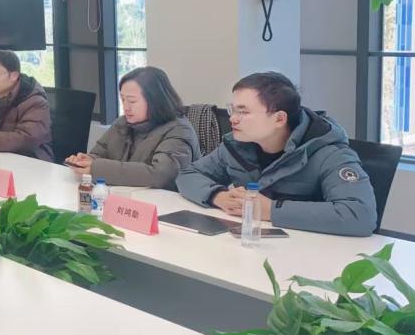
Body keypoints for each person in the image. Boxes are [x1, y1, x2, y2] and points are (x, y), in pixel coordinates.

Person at [176, 72, 377, 237]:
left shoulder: (329, 153)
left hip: (309, 256)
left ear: (279, 119)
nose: (233, 119)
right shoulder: (237, 145)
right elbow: (188, 175)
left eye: (243, 112)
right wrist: (217, 196)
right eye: (232, 110)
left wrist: (271, 210)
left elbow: (360, 215)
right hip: (251, 244)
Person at [65, 66, 200, 189]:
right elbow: (100, 154)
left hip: (164, 203)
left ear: (155, 100)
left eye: (132, 101)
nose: (126, 107)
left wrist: (96, 168)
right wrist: (86, 161)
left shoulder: (179, 130)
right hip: (123, 198)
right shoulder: (122, 122)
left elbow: (161, 175)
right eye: (123, 100)